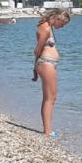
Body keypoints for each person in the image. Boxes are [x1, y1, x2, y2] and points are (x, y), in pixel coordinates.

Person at [32, 7, 71, 138]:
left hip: (48, 63)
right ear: (56, 17)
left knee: (50, 97)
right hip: (46, 63)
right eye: (63, 23)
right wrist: (35, 68)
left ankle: (47, 130)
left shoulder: (48, 27)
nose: (63, 26)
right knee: (50, 98)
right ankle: (48, 131)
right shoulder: (46, 28)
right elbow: (37, 49)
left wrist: (36, 68)